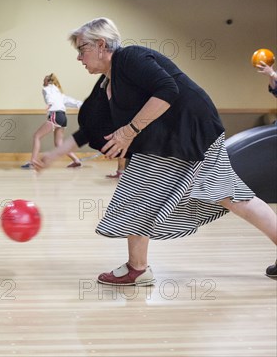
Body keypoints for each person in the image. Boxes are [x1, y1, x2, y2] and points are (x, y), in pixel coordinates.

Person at [33, 17, 277, 284]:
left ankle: (137, 269)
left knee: (138, 191)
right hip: (178, 136)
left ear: (101, 45)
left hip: (190, 131)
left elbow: (167, 89)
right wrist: (54, 155)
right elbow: (90, 128)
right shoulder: (107, 82)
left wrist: (128, 131)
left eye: (82, 49)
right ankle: (138, 268)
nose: (79, 58)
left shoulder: (130, 58)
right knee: (233, 197)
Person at [21, 73, 83, 169]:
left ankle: (33, 161)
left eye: (43, 81)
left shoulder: (47, 88)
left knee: (36, 136)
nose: (43, 83)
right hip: (63, 117)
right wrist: (85, 105)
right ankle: (76, 160)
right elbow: (73, 102)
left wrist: (49, 104)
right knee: (59, 144)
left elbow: (49, 96)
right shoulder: (60, 94)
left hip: (55, 115)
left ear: (48, 81)